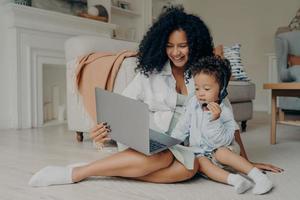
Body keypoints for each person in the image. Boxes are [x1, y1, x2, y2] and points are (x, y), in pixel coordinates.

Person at [28, 6, 282, 187]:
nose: (176, 53)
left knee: (190, 168)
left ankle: (114, 170)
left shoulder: (206, 74)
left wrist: (246, 161)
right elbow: (119, 108)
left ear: (194, 43)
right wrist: (101, 129)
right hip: (149, 141)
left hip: (185, 147)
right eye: (170, 46)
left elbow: (228, 117)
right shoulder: (149, 75)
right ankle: (77, 173)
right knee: (163, 156)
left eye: (182, 45)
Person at [171, 56, 273, 194]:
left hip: (224, 148)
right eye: (197, 88)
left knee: (221, 153)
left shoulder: (223, 110)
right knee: (200, 162)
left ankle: (259, 177)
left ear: (221, 89)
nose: (200, 93)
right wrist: (171, 141)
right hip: (201, 152)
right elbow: (182, 126)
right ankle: (235, 180)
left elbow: (223, 140)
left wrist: (214, 120)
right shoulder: (193, 104)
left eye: (206, 89)